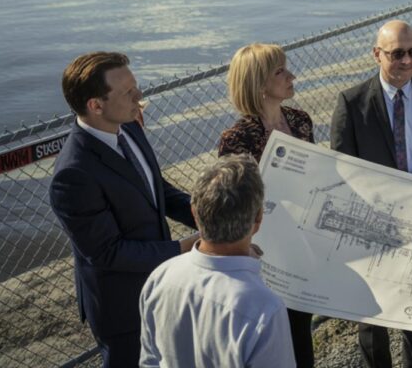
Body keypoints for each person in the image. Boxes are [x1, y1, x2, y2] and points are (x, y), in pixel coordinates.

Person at [49, 52, 198, 368]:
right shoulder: (73, 174)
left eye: (136, 86)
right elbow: (107, 253)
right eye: (128, 92)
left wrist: (201, 212)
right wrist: (184, 248)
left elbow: (157, 189)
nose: (140, 96)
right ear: (96, 105)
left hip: (161, 284)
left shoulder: (129, 127)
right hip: (122, 305)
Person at [330, 19, 412, 368]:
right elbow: (341, 174)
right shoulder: (351, 104)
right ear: (377, 54)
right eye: (397, 53)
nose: (407, 61)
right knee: (372, 318)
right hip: (371, 225)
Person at [139, 155, 296, 368]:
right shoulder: (265, 308)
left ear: (195, 213)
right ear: (258, 219)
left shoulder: (161, 276)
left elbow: (149, 361)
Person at [217, 43, 315, 366]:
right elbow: (235, 205)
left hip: (302, 245)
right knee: (273, 336)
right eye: (280, 71)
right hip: (265, 254)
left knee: (302, 332)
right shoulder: (237, 139)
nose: (292, 76)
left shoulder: (301, 122)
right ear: (259, 83)